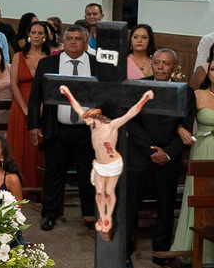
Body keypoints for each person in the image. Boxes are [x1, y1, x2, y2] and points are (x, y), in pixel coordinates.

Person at [27, 25, 101, 231]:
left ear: (86, 43)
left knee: (89, 175)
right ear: (63, 41)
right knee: (53, 173)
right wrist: (34, 125)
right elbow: (35, 97)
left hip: (88, 131)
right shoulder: (48, 63)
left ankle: (89, 215)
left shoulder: (97, 65)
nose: (73, 42)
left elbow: (107, 98)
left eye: (78, 39)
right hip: (57, 128)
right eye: (69, 39)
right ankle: (49, 214)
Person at [125, 49, 193, 268]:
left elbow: (186, 128)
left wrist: (169, 153)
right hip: (141, 153)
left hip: (169, 155)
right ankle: (125, 251)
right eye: (157, 63)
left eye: (165, 64)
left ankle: (160, 252)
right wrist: (152, 151)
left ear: (174, 67)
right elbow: (131, 122)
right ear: (151, 65)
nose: (160, 67)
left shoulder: (185, 91)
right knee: (131, 203)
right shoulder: (140, 87)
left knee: (165, 205)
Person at [59, 85, 154, 240]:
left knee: (109, 192)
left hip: (112, 163)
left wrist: (144, 99)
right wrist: (68, 93)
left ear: (99, 117)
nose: (88, 121)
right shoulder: (92, 125)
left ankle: (108, 216)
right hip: (99, 164)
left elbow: (131, 113)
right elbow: (77, 108)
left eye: (91, 118)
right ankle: (102, 216)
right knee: (99, 192)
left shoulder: (112, 125)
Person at [174, 58, 214, 268]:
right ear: (208, 72)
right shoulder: (197, 94)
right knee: (199, 197)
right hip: (204, 149)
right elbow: (180, 120)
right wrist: (181, 130)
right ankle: (193, 250)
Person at [8, 21, 52, 191]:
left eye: (40, 33)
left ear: (45, 37)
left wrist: (40, 107)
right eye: (33, 32)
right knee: (19, 145)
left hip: (42, 104)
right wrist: (25, 108)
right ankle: (17, 187)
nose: (36, 36)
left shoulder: (49, 59)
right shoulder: (18, 56)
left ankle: (37, 188)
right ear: (28, 35)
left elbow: (50, 85)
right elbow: (13, 84)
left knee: (37, 148)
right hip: (20, 105)